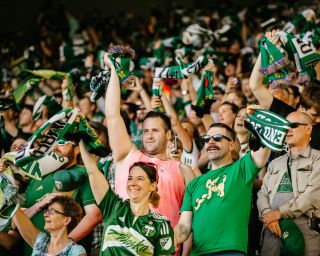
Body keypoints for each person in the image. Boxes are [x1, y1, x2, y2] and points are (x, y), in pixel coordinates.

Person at [103, 52, 195, 255]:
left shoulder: (183, 170)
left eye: (155, 130)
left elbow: (193, 220)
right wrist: (113, 72)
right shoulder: (129, 156)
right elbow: (112, 115)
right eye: (145, 131)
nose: (149, 136)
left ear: (169, 135)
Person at [174, 122, 270, 255]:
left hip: (229, 251)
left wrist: (260, 123)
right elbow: (184, 227)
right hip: (197, 252)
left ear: (231, 144)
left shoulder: (240, 169)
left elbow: (261, 154)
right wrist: (167, 239)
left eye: (218, 138)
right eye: (207, 139)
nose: (211, 142)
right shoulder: (193, 184)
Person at [80, 141, 175, 255]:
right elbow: (92, 171)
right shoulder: (113, 207)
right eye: (130, 178)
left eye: (139, 179)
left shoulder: (160, 223)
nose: (132, 183)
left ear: (153, 186)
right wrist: (81, 138)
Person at [21, 138, 102, 255]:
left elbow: (94, 215)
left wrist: (60, 247)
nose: (55, 147)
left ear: (78, 148)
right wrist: (37, 206)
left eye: (62, 143)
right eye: (52, 143)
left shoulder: (84, 173)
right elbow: (16, 222)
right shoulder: (36, 176)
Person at [257, 111, 320, 256]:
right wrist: (268, 215)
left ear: (308, 129)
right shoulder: (275, 162)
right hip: (272, 228)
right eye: (284, 127)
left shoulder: (318, 159)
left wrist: (279, 213)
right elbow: (262, 193)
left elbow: (312, 196)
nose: (287, 130)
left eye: (293, 125)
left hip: (305, 227)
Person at [13, 195, 86, 255]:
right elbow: (17, 213)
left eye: (52, 211)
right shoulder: (41, 242)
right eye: (46, 211)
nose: (45, 215)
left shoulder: (76, 251)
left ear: (66, 220)